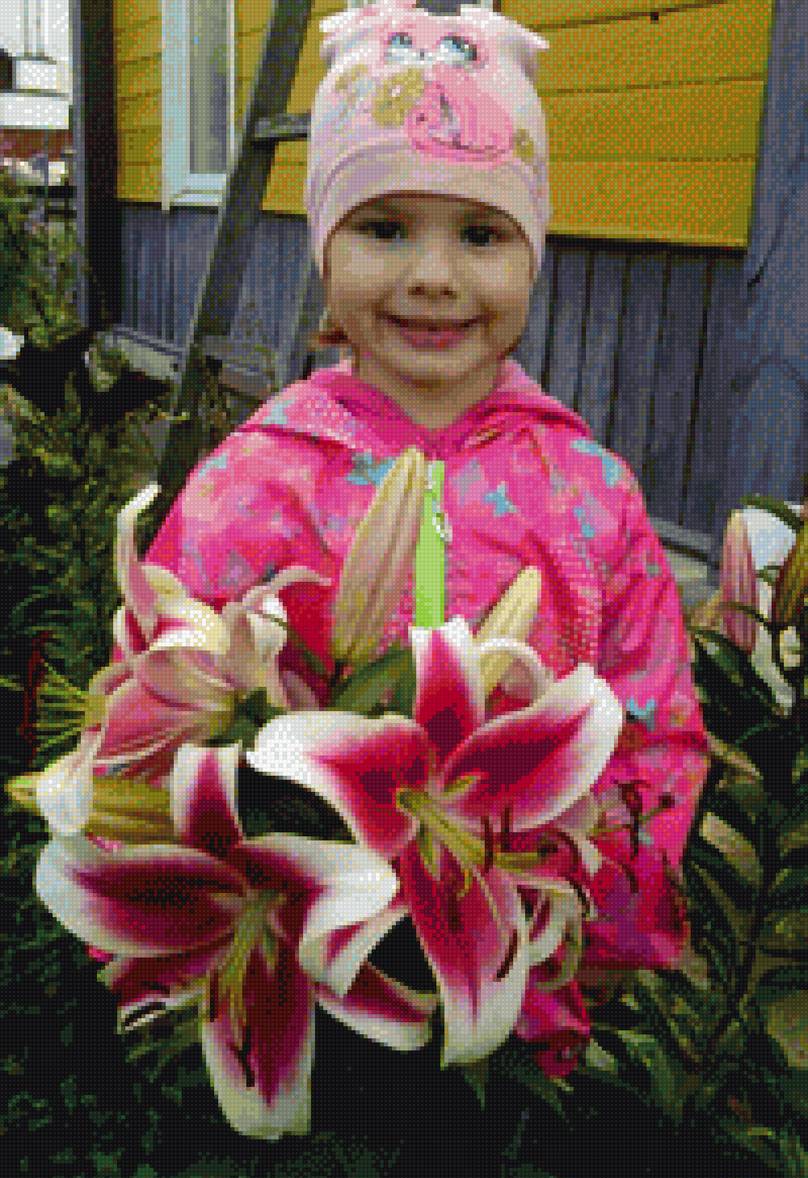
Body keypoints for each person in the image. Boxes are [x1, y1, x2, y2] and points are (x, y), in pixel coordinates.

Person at [146, 0, 709, 1012]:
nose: (435, 277)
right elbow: (159, 693)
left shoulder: (589, 492)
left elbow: (653, 728)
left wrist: (603, 934)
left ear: (533, 254)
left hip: (527, 962)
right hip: (300, 968)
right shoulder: (255, 481)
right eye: (385, 227)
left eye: (482, 233)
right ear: (324, 247)